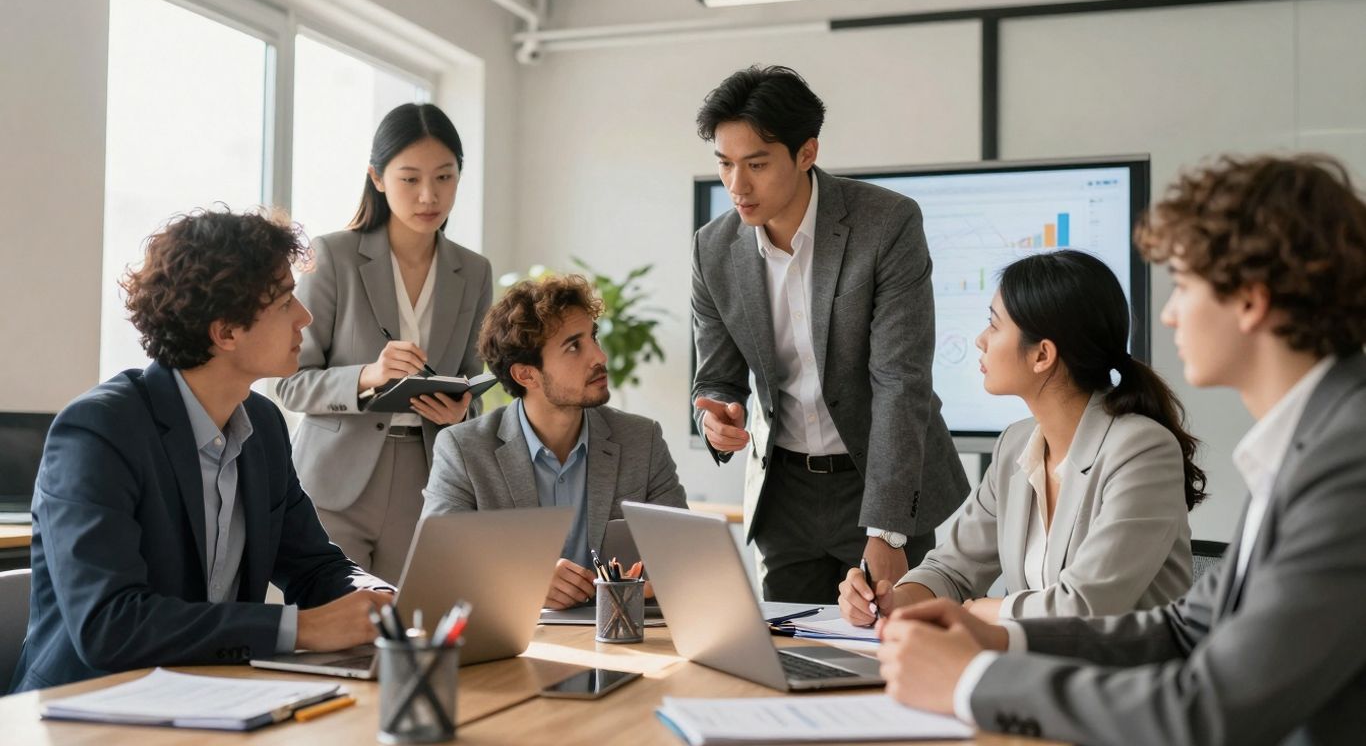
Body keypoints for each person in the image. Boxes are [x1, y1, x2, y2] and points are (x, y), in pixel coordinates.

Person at [877, 154, 1366, 746]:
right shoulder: (1311, 441)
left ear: (1250, 301)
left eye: (1183, 285)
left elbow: (1209, 709)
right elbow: (1186, 630)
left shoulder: (1348, 461)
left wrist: (973, 679)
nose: (1168, 312)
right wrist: (996, 638)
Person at [11, 209, 393, 694]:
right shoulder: (100, 430)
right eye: (283, 301)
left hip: (210, 695)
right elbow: (110, 624)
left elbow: (315, 565)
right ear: (226, 332)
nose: (306, 317)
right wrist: (302, 629)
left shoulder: (265, 425)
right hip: (85, 705)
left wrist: (377, 598)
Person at [690, 64, 970, 602]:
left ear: (806, 153)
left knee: (891, 651)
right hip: (783, 491)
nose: (736, 186)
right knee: (788, 656)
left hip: (878, 481)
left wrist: (888, 529)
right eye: (724, 165)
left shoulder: (885, 224)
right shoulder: (713, 247)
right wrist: (715, 416)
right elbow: (718, 378)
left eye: (756, 165)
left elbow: (900, 381)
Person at [839, 250, 1201, 627]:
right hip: (1036, 673)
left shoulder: (1142, 450)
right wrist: (893, 600)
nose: (980, 340)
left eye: (994, 326)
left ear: (1042, 354)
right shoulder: (1016, 445)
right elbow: (952, 570)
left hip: (1126, 679)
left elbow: (1086, 606)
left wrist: (977, 612)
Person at [276, 103, 493, 583]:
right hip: (334, 484)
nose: (428, 195)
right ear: (377, 177)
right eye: (409, 179)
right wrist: (368, 376)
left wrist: (463, 412)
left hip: (428, 480)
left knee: (409, 636)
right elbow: (290, 386)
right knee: (334, 636)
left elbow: (473, 380)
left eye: (444, 177)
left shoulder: (474, 272)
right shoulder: (333, 255)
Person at [421, 274, 688, 609]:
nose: (600, 357)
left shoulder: (641, 440)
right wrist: (523, 577)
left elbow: (685, 557)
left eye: (593, 338)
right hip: (517, 641)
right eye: (574, 346)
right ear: (526, 374)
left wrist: (655, 580)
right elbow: (439, 562)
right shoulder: (463, 449)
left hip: (620, 639)